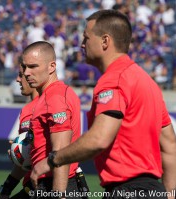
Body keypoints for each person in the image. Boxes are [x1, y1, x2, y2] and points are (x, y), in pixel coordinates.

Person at [30, 10, 176, 199]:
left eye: (86, 38)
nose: (82, 45)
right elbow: (169, 145)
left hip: (127, 191)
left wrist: (53, 160)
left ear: (105, 41)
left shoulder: (114, 79)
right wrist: (170, 194)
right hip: (153, 190)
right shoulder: (147, 82)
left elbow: (99, 139)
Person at [22, 41, 82, 198]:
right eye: (24, 67)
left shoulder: (55, 97)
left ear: (52, 67)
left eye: (33, 66)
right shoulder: (48, 96)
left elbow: (61, 152)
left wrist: (58, 194)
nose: (26, 72)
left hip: (55, 184)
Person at [0, 59, 39, 199]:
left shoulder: (50, 104)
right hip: (31, 187)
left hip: (47, 187)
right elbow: (29, 162)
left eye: (20, 75)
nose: (17, 80)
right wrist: (21, 155)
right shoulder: (27, 110)